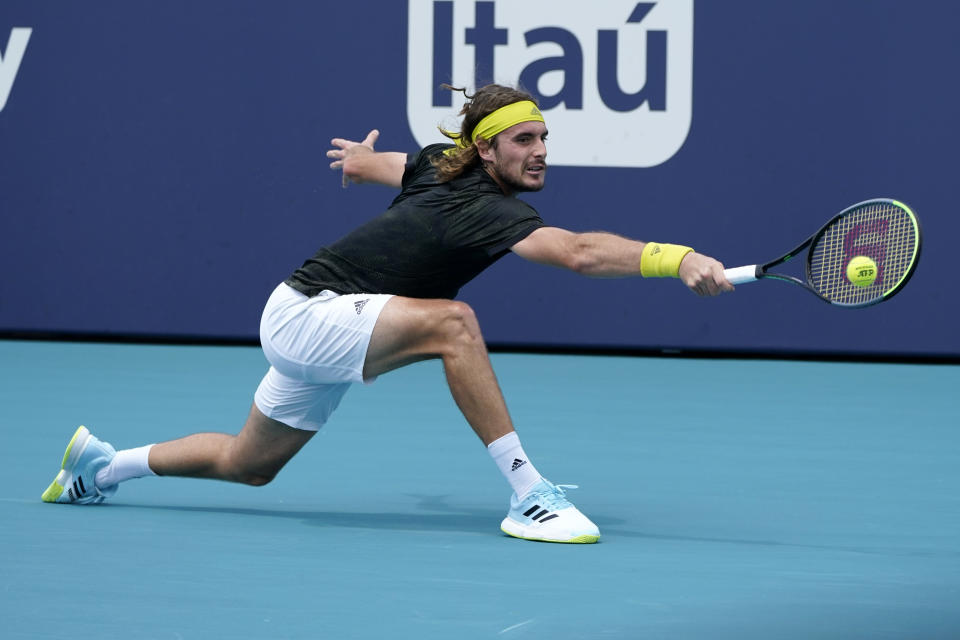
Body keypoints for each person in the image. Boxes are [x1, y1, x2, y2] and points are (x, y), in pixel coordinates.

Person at [41, 84, 733, 543]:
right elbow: (579, 253)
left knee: (248, 463)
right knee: (452, 323)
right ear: (486, 149)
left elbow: (389, 166)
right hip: (313, 315)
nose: (540, 150)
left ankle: (100, 468)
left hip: (315, 316)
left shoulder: (441, 164)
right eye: (522, 140)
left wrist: (362, 160)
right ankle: (529, 496)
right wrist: (676, 258)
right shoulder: (491, 206)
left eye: (543, 137)